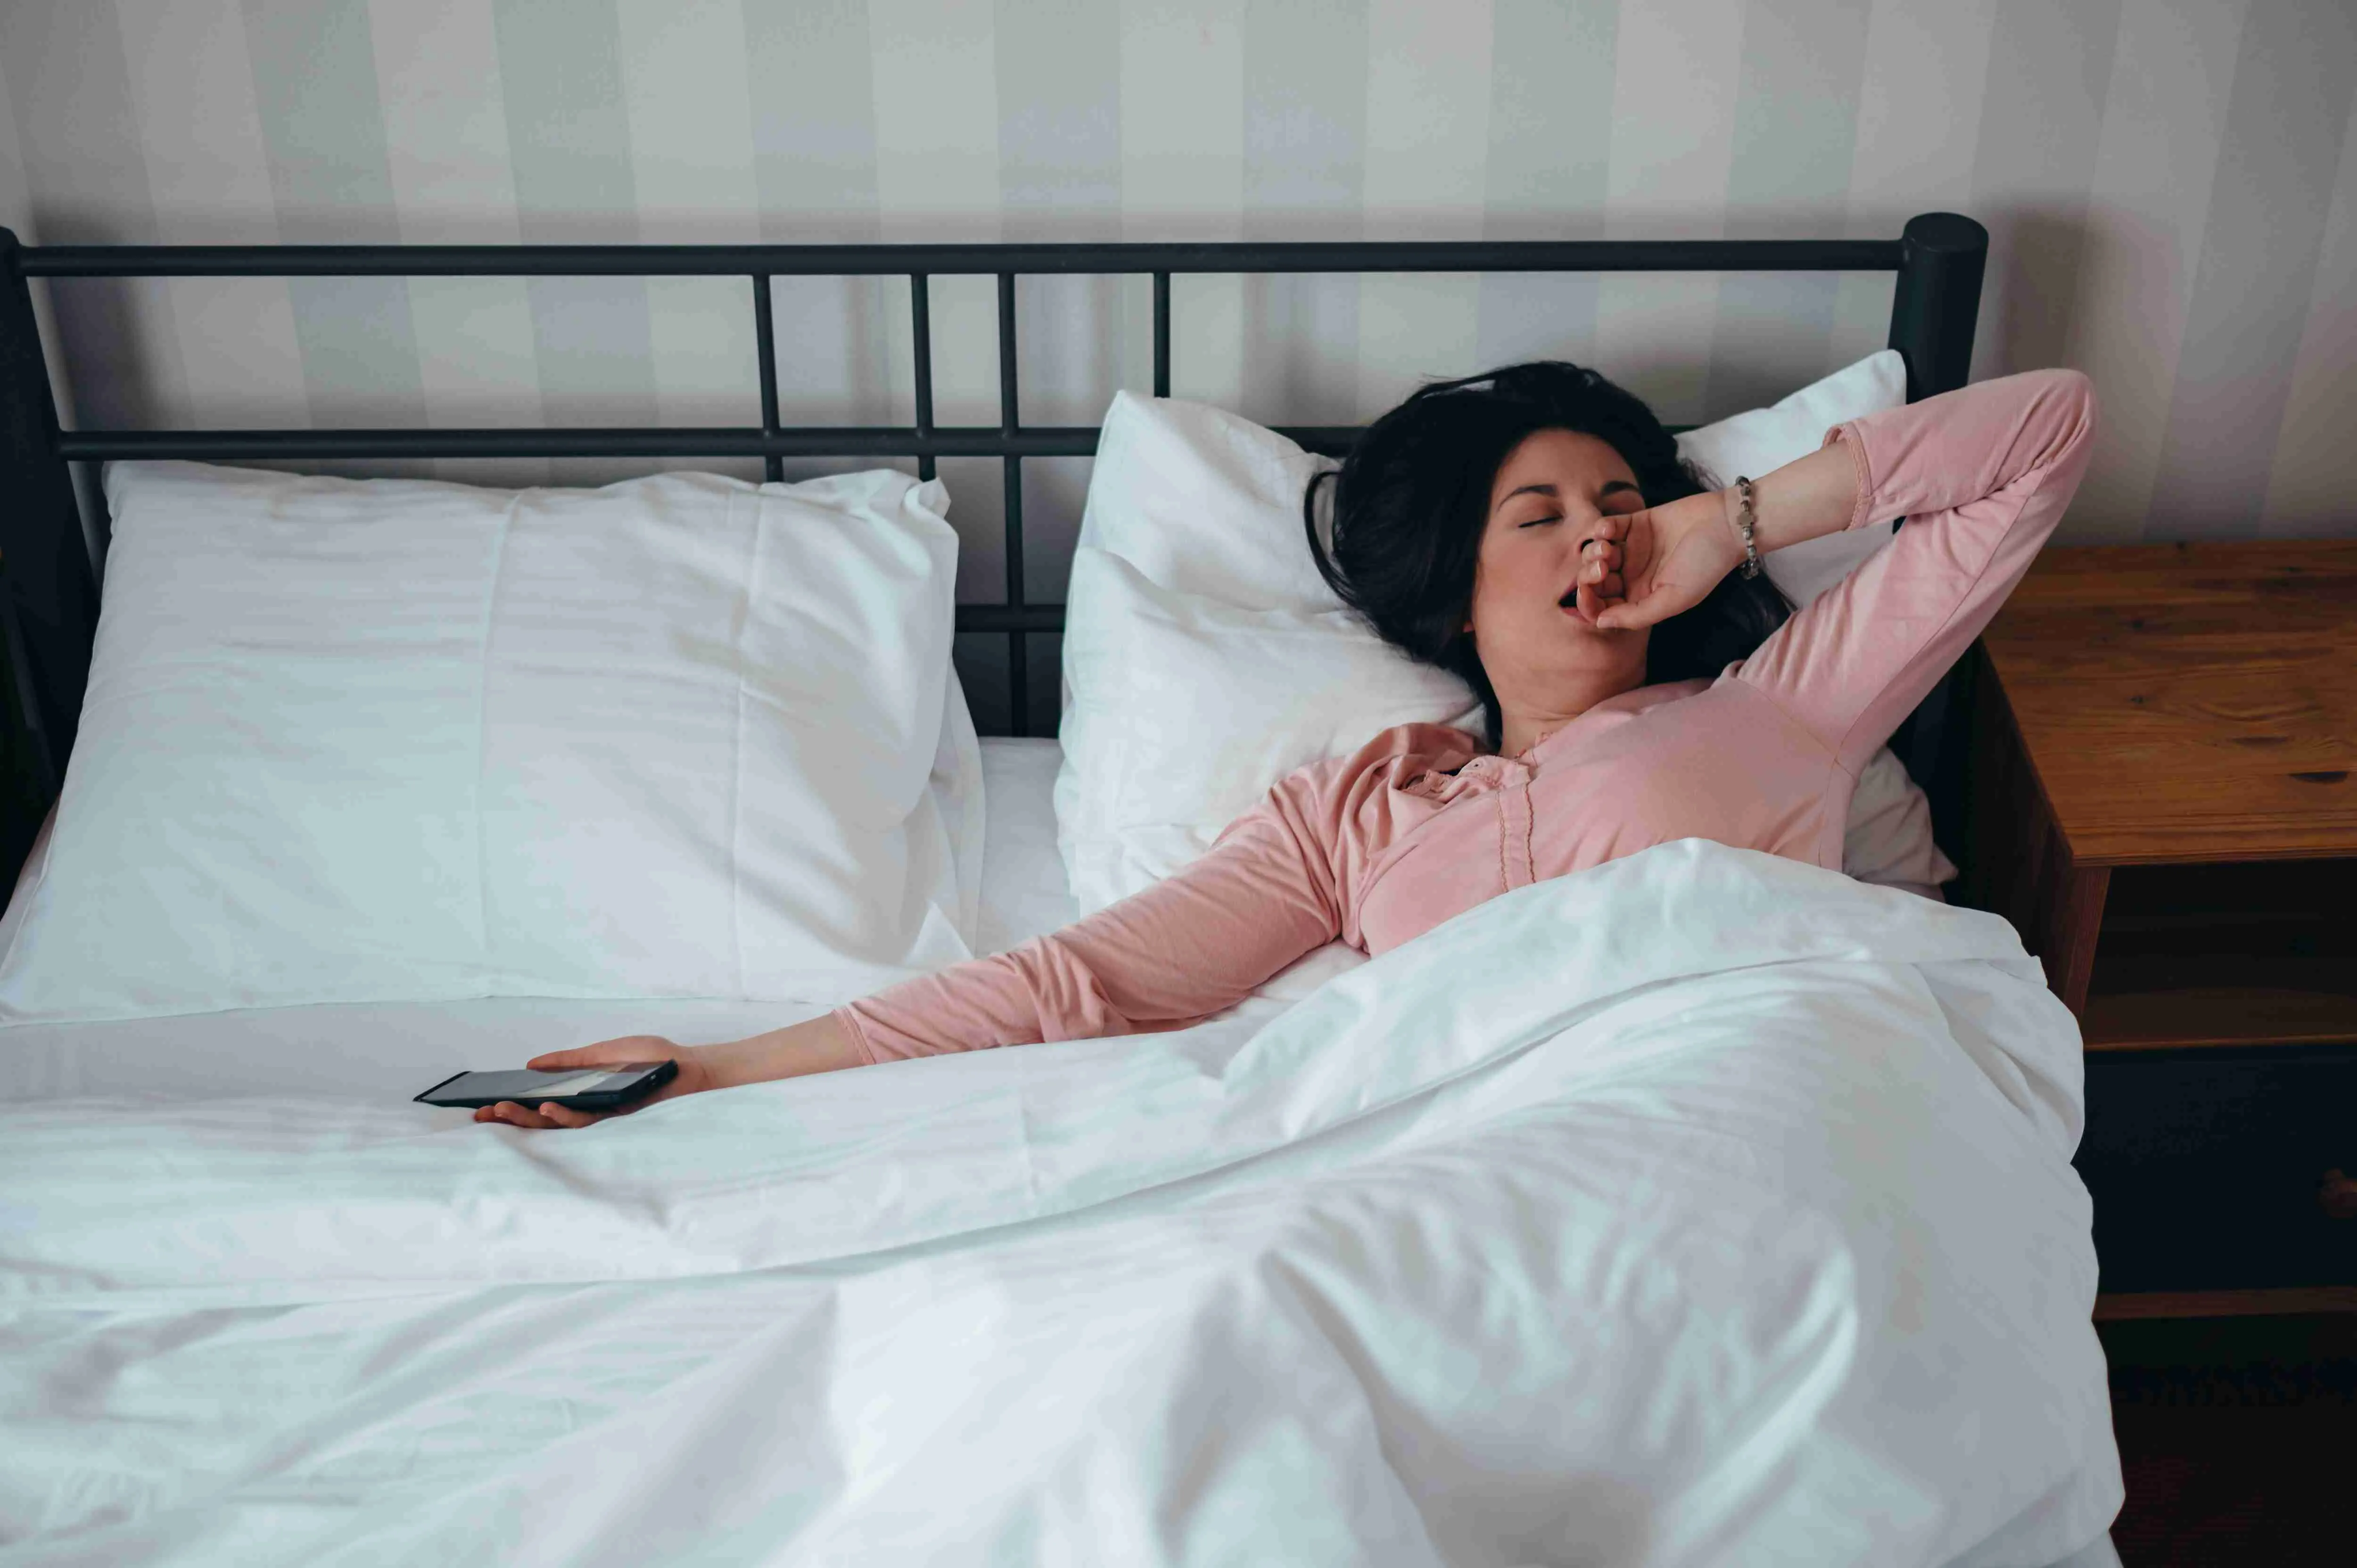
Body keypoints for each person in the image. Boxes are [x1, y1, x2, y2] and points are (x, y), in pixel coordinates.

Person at [478, 362, 2098, 1131]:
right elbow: (1082, 984)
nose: (1599, 534)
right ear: (1455, 590)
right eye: (1540, 514)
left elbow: (2048, 433)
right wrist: (722, 1064)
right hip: (1464, 1163)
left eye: (1623, 502)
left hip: (1747, 1113)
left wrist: (1737, 525)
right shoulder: (1368, 803)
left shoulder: (1783, 707)